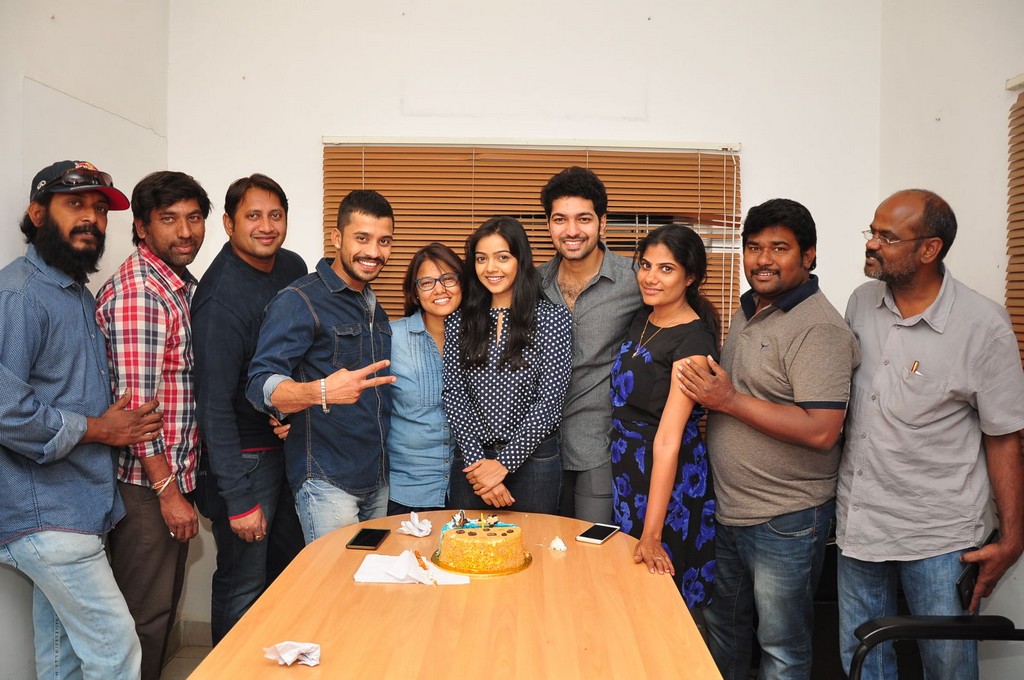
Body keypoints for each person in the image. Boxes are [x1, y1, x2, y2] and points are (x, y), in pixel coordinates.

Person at [837, 189, 1024, 680]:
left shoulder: (984, 326)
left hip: (941, 539)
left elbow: (1003, 436)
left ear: (929, 249)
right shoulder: (860, 303)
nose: (872, 243)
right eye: (872, 231)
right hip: (860, 525)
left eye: (887, 237)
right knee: (863, 665)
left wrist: (1013, 537)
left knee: (948, 668)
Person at [676, 198, 859, 680]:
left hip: (786, 518)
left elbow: (821, 430)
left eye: (780, 248)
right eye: (754, 247)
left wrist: (728, 401)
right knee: (725, 634)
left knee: (781, 649)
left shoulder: (818, 328)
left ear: (809, 256)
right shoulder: (750, 309)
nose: (763, 259)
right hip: (729, 510)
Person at [0, 160, 160, 679]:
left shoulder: (75, 292)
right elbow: (6, 411)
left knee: (62, 657)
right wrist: (99, 428)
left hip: (79, 506)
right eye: (75, 204)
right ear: (37, 214)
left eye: (99, 208)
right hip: (47, 513)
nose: (91, 218)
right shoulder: (18, 295)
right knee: (116, 651)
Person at [96, 170, 210, 680]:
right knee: (144, 619)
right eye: (169, 219)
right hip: (145, 486)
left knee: (157, 611)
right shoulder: (142, 294)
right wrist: (168, 492)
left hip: (165, 480)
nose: (185, 231)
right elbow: (137, 413)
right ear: (142, 227)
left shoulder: (175, 285)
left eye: (194, 217)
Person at [192, 173, 307, 644]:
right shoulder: (220, 299)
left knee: (287, 574)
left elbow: (300, 352)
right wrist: (239, 501)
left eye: (275, 215)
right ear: (228, 223)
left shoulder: (292, 267)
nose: (266, 226)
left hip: (287, 450)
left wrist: (294, 412)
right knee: (243, 583)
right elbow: (213, 406)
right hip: (245, 460)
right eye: (253, 216)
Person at [246, 189, 397, 544]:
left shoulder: (372, 304)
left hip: (377, 479)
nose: (374, 252)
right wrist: (322, 391)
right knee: (334, 578)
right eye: (362, 238)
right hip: (327, 481)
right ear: (337, 238)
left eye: (384, 241)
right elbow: (260, 383)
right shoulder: (299, 300)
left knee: (371, 575)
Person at [609, 224, 719, 608]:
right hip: (628, 470)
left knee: (661, 596)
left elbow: (669, 439)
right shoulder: (644, 317)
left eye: (666, 269)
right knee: (627, 592)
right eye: (646, 265)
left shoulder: (693, 342)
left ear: (690, 277)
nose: (650, 277)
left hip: (667, 478)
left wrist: (652, 533)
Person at [443, 216, 572, 513]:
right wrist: (480, 466)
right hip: (472, 461)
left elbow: (550, 401)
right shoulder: (459, 320)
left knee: (535, 541)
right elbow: (454, 395)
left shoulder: (551, 318)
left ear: (520, 260)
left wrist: (503, 464)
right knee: (467, 542)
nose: (491, 268)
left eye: (502, 257)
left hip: (535, 461)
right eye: (481, 259)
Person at [537, 167, 642, 523]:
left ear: (602, 223)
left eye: (583, 218)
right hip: (535, 447)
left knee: (592, 548)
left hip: (599, 445)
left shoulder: (635, 280)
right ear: (548, 225)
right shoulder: (531, 284)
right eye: (560, 219)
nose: (571, 231)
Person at [387, 243, 464, 515]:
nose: (440, 289)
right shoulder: (391, 338)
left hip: (468, 490)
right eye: (427, 282)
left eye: (448, 278)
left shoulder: (483, 338)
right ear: (415, 293)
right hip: (406, 490)